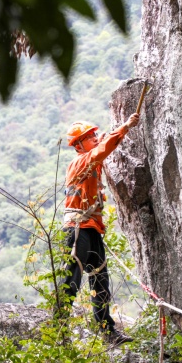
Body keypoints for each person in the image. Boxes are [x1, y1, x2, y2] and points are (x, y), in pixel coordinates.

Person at [59, 112, 140, 345]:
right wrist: (124, 127)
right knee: (71, 279)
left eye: (94, 134)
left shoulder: (90, 158)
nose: (94, 138)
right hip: (77, 227)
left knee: (100, 280)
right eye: (89, 136)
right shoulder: (80, 162)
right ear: (78, 145)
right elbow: (102, 150)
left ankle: (107, 331)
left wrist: (108, 135)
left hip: (91, 227)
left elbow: (102, 145)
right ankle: (60, 329)